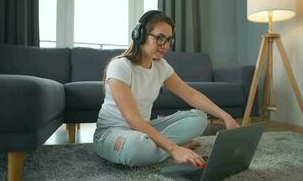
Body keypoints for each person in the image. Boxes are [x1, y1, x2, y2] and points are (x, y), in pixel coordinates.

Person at [93, 10, 239, 168]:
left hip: (144, 128)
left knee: (199, 118)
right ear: (140, 35)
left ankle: (155, 148)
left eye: (169, 40)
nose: (165, 46)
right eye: (160, 38)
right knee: (137, 148)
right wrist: (174, 149)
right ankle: (166, 148)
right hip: (111, 133)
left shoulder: (161, 66)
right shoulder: (120, 66)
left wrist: (226, 117)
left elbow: (190, 94)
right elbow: (133, 119)